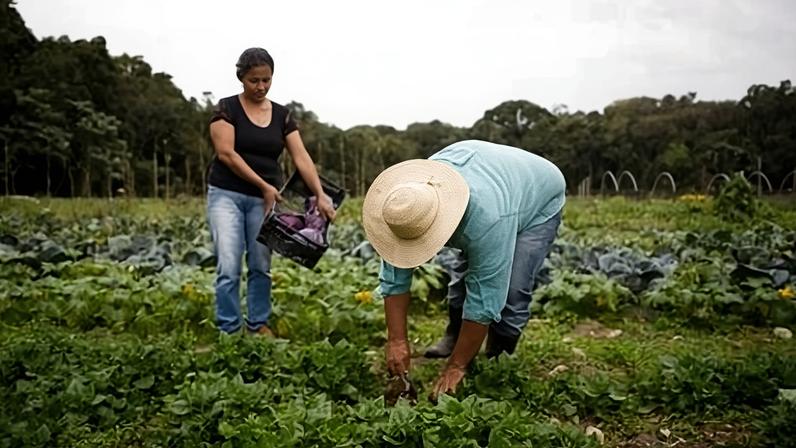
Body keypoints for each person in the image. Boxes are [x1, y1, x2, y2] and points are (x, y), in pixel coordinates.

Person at [362, 139, 565, 399]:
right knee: (462, 280)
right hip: (486, 172)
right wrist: (397, 340)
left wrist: (456, 367)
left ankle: (496, 359)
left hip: (540, 196)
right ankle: (454, 336)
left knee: (512, 291)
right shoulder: (404, 208)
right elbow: (394, 280)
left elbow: (485, 296)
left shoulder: (487, 218)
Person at [207, 47, 335, 335]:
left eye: (266, 80)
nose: (261, 86)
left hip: (264, 200)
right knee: (229, 265)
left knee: (260, 263)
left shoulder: (282, 115)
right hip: (226, 195)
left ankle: (258, 324)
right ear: (241, 78)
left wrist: (320, 194)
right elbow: (226, 153)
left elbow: (301, 157)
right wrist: (265, 185)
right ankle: (229, 329)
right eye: (254, 80)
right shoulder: (227, 108)